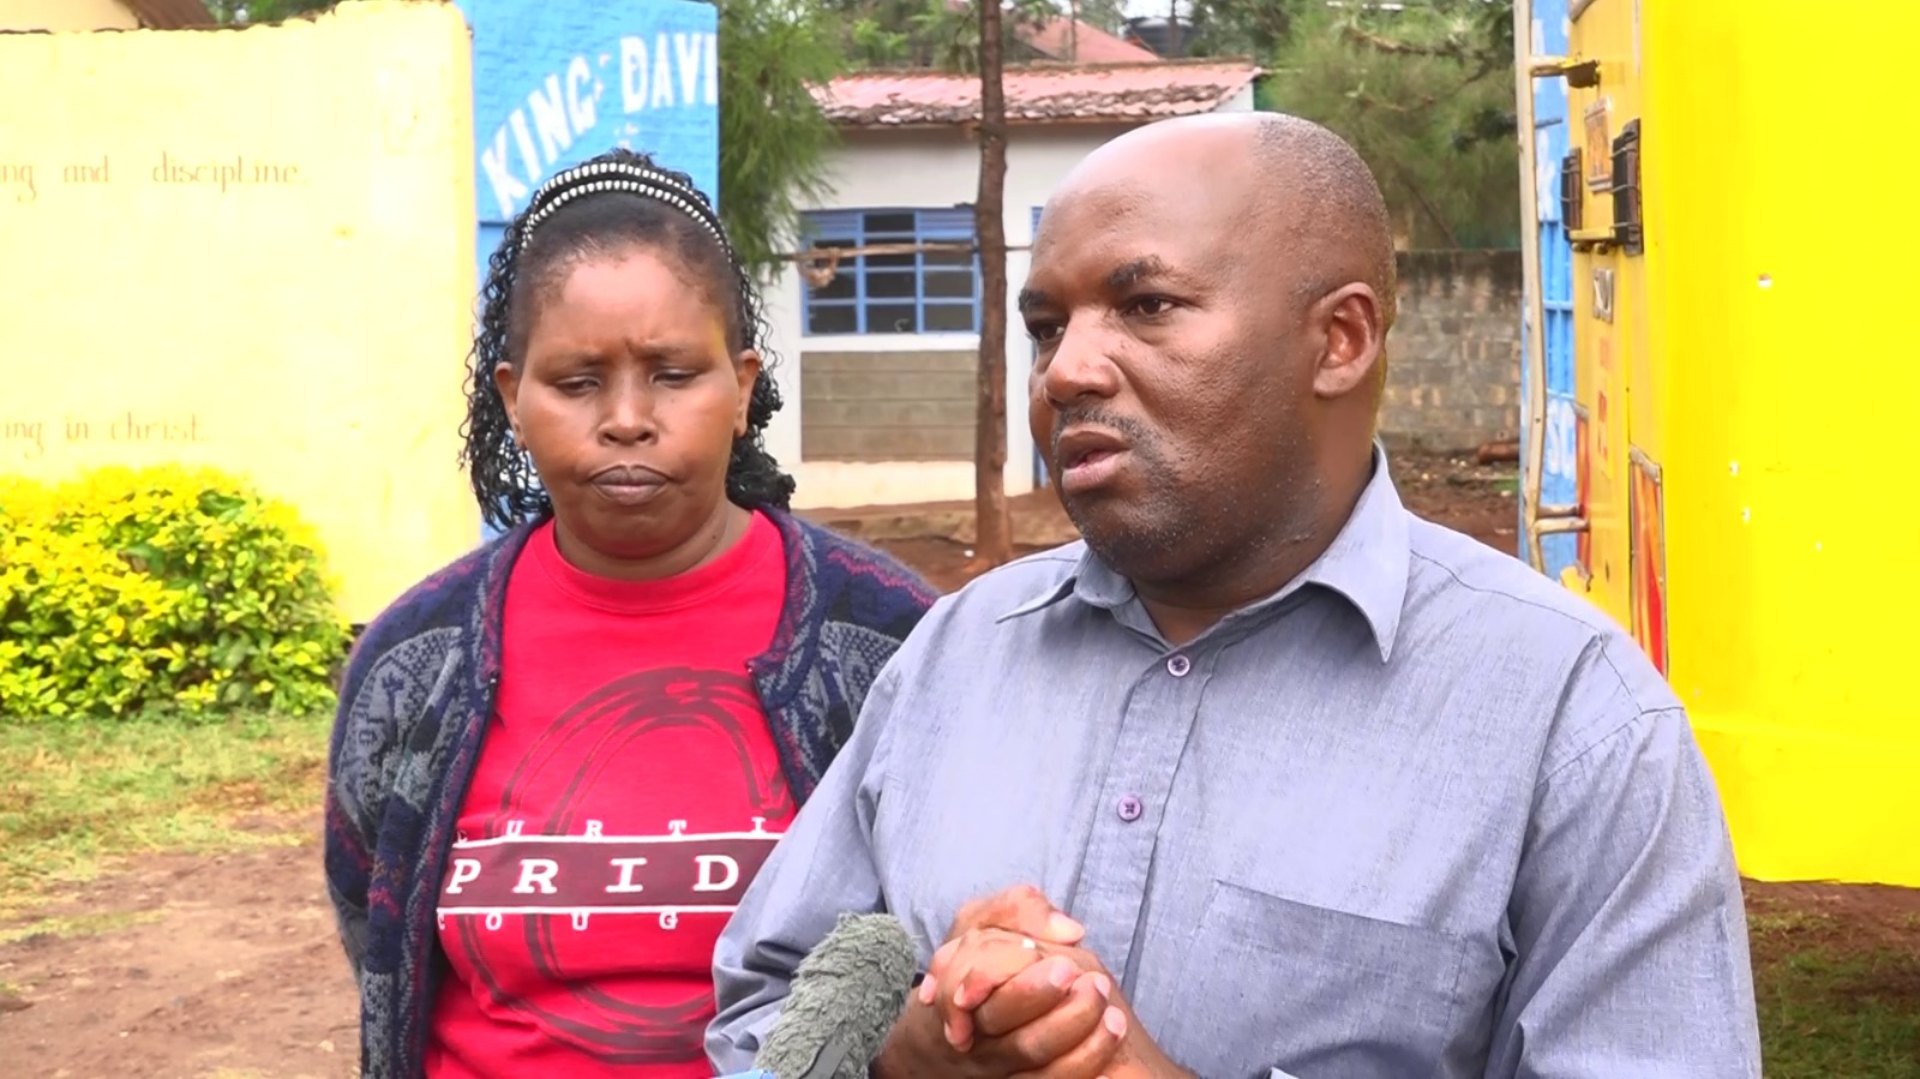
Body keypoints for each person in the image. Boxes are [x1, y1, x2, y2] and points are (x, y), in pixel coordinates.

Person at [707, 113, 1761, 1079]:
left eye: (1146, 304)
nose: (1067, 371)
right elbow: (760, 1009)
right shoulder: (958, 652)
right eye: (1045, 327)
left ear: (1339, 340)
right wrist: (910, 1054)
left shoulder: (1574, 722)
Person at [323, 148, 938, 1079]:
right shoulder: (416, 658)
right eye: (576, 382)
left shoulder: (892, 641)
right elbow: (378, 922)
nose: (625, 418)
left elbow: (939, 927)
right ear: (512, 400)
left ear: (741, 389)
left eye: (673, 374)